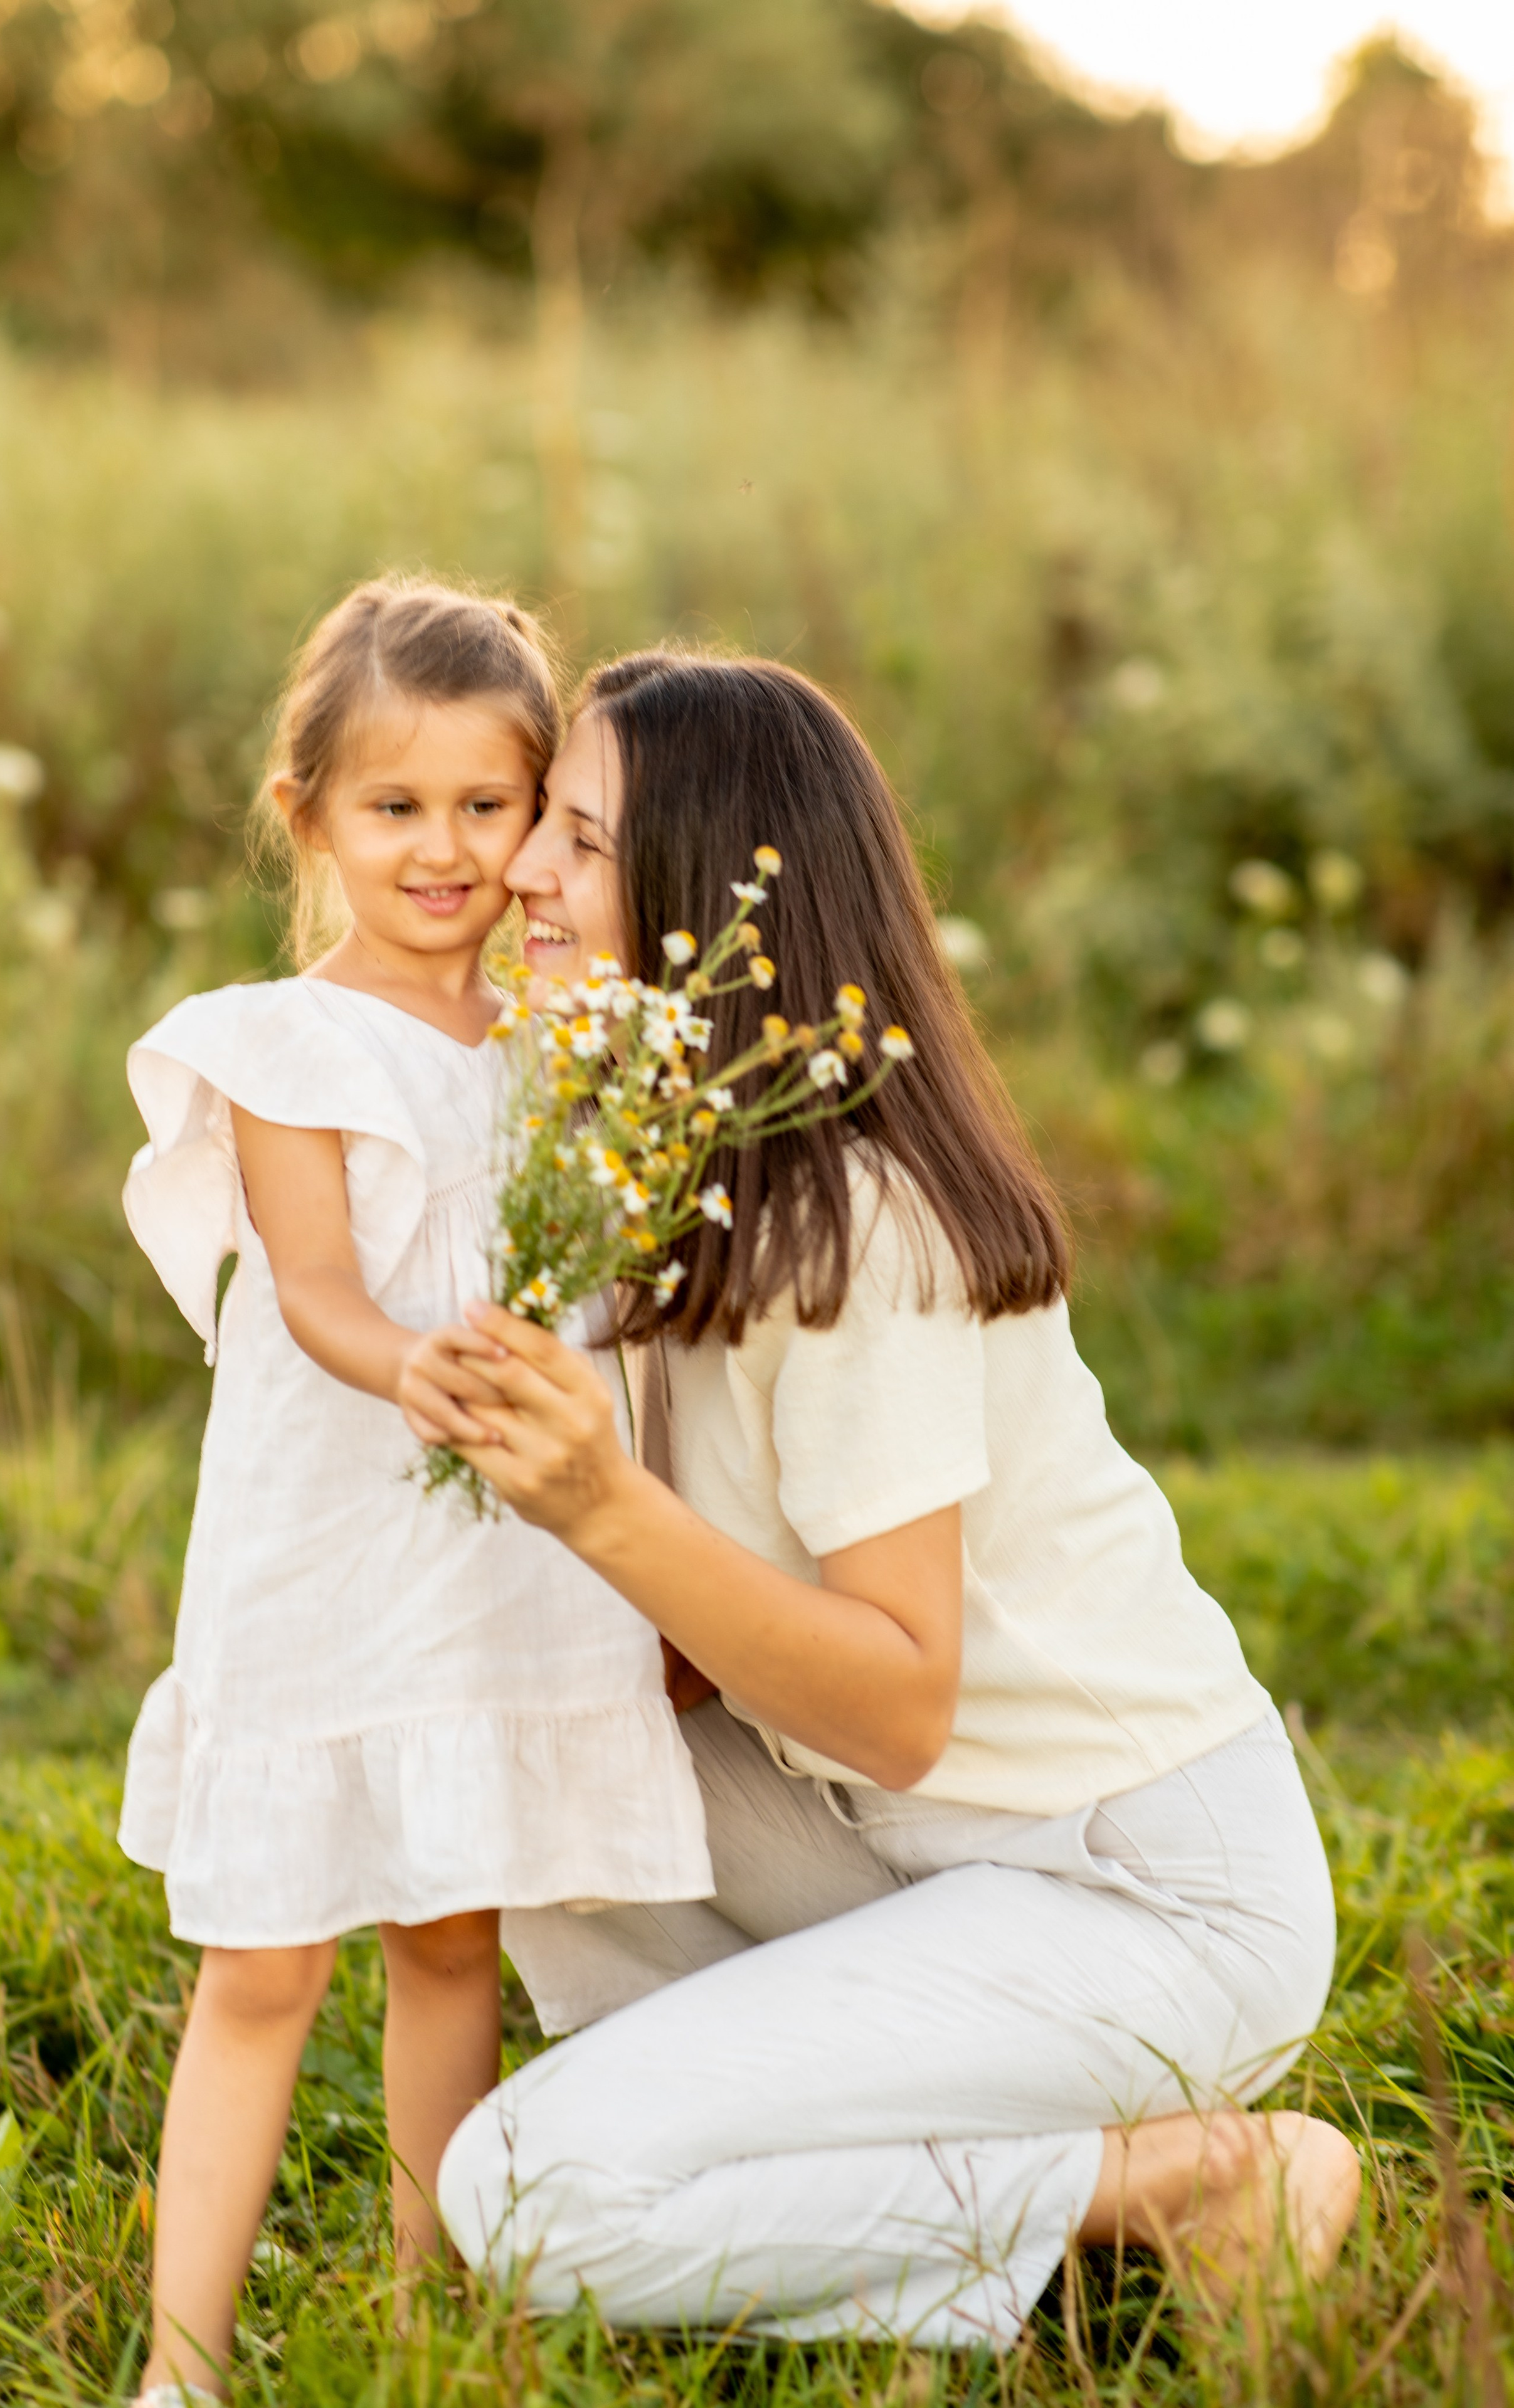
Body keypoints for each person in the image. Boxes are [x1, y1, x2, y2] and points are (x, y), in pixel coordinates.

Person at [411, 652, 1362, 2352]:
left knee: (534, 2200)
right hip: (911, 1852)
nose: (522, 876)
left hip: (1136, 1893)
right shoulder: (652, 1161)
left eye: (575, 839)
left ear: (708, 895)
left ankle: (1186, 2179)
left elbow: (903, 1701)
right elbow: (692, 1659)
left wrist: (603, 1508)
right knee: (529, 1757)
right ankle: (947, 2164)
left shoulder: (854, 1226)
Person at [118, 586, 711, 2407]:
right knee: (266, 1963)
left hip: (515, 1557)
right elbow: (315, 1294)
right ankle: (182, 2364)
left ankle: (430, 2317)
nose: (446, 850)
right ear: (307, 816)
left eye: (489, 805)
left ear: (545, 814)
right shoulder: (285, 1043)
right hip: (335, 1544)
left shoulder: (581, 1036)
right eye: (396, 809)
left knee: (457, 1932)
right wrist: (424, 1372)